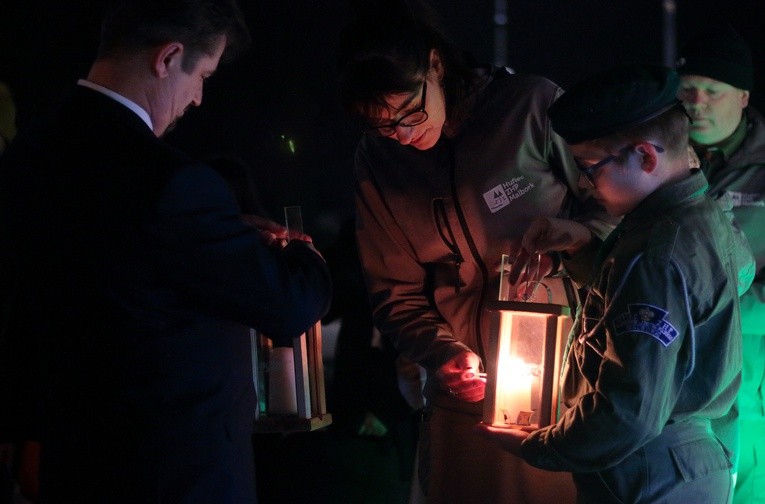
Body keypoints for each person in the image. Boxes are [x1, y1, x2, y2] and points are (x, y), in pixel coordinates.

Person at [0, 1, 332, 502]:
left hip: (71, 467)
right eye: (202, 75)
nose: (197, 98)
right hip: (176, 473)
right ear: (168, 57)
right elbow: (290, 303)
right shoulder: (170, 183)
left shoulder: (29, 157)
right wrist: (303, 255)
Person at [336, 4, 616, 502]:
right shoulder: (379, 162)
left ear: (436, 65)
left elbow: (617, 210)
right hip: (466, 399)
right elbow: (394, 291)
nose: (403, 134)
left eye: (410, 112)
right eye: (382, 125)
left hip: (568, 381)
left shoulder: (530, 107)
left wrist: (571, 240)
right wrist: (443, 355)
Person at [475, 63, 753, 503]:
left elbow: (629, 413)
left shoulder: (655, 249)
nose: (586, 183)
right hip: (690, 463)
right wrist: (587, 252)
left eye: (589, 167)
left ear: (645, 156)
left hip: (648, 472)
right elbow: (724, 281)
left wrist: (539, 445)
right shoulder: (703, 216)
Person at [676, 25, 765, 504]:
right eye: (688, 88)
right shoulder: (662, 161)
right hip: (678, 372)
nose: (698, 102)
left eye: (714, 90)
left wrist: (707, 307)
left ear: (744, 95)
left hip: (752, 375)